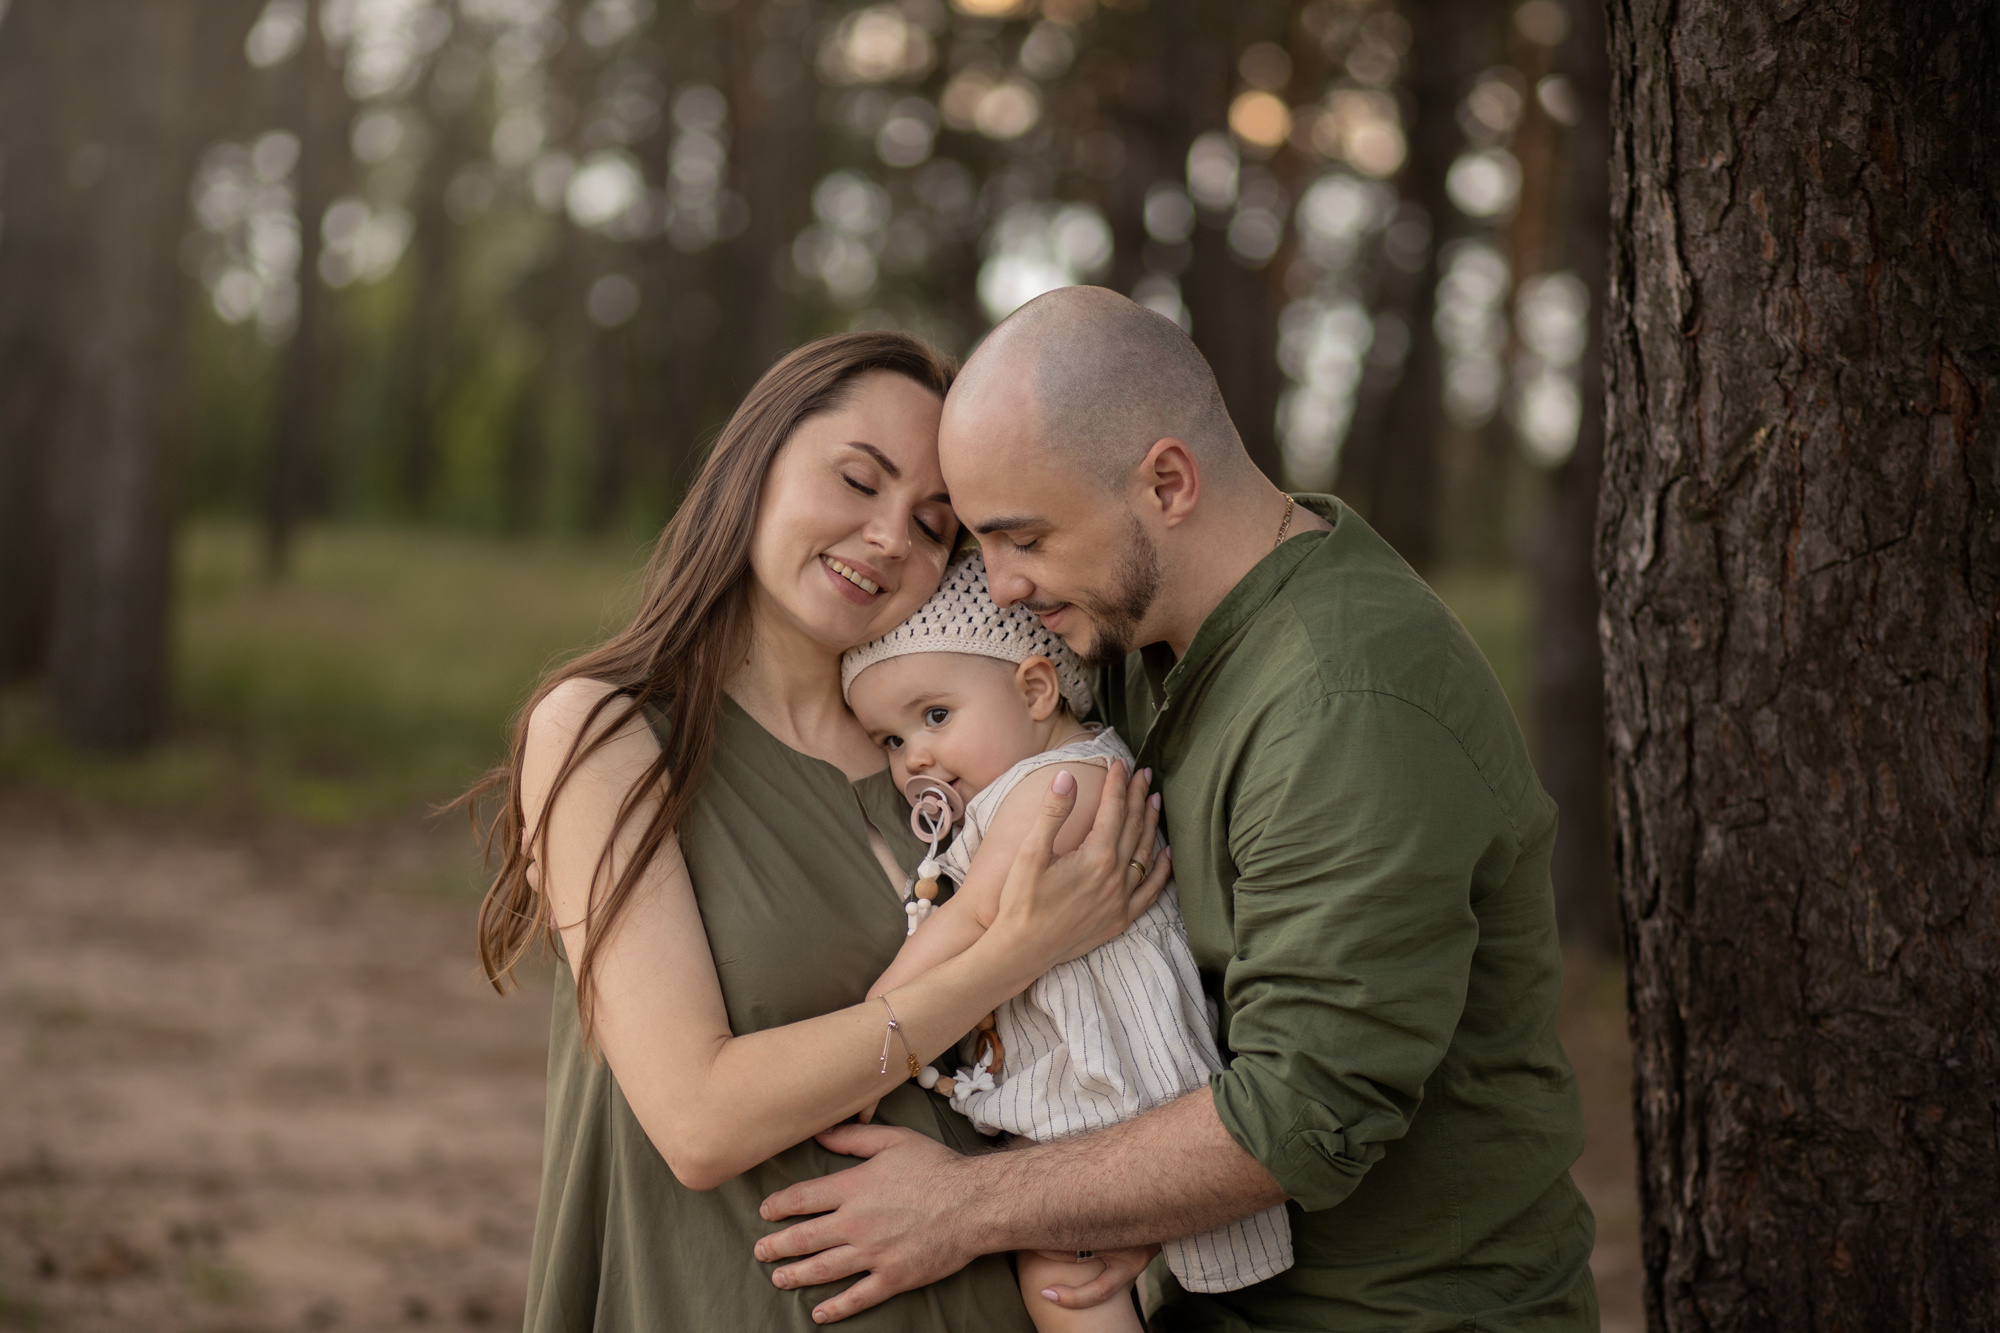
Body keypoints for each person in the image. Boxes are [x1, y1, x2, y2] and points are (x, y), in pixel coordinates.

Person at [753, 289, 1599, 1331]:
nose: (1002, 588)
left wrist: (958, 1207)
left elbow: (1303, 1117)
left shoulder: (1347, 703)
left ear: (1166, 481)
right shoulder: (1129, 632)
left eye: (1023, 539)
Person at [467, 330, 1170, 1332]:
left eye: (933, 526)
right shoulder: (609, 734)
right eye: (856, 479)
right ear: (755, 464)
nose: (890, 537)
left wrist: (1093, 1197)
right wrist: (1013, 949)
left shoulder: (953, 748)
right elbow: (699, 1121)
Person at [842, 548, 1293, 1333]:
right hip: (1083, 1085)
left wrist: (869, 1025)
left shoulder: (1061, 785)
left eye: (935, 716)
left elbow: (977, 919)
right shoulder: (1005, 792)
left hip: (1116, 1091)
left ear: (1037, 687)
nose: (913, 756)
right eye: (889, 739)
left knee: (1063, 1281)